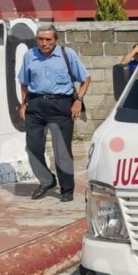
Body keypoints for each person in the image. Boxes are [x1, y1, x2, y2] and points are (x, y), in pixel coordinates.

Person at [17, 25, 91, 202]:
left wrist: (78, 101)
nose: (44, 43)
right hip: (35, 105)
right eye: (40, 39)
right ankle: (47, 180)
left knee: (62, 150)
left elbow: (85, 79)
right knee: (33, 148)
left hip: (61, 106)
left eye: (48, 39)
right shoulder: (30, 56)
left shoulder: (67, 54)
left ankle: (67, 189)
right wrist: (23, 104)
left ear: (55, 40)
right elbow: (24, 82)